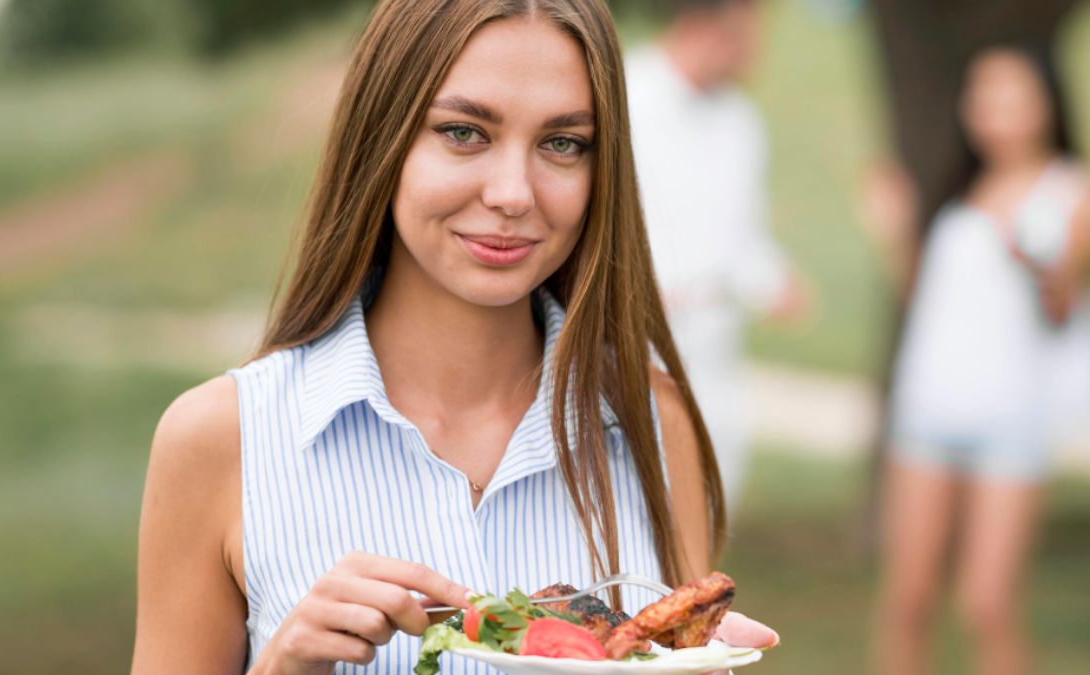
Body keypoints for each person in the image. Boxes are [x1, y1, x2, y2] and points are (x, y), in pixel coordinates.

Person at [130, 1, 779, 673]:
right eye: (464, 131)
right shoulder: (219, 441)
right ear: (383, 137)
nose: (512, 193)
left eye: (563, 143)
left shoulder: (652, 419)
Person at [868, 45, 1090, 675]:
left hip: (1011, 421)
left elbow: (1065, 305)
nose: (991, 109)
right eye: (981, 94)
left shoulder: (1070, 190)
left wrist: (1041, 267)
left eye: (1009, 94)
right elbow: (929, 300)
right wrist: (897, 232)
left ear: (1047, 104)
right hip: (926, 412)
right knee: (909, 598)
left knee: (986, 604)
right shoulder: (959, 187)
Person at [624, 0, 813, 512]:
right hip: (634, 341)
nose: (754, 50)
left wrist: (774, 281)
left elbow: (741, 233)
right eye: (746, 32)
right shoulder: (630, 96)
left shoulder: (740, 121)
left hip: (714, 345)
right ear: (703, 24)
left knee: (709, 493)